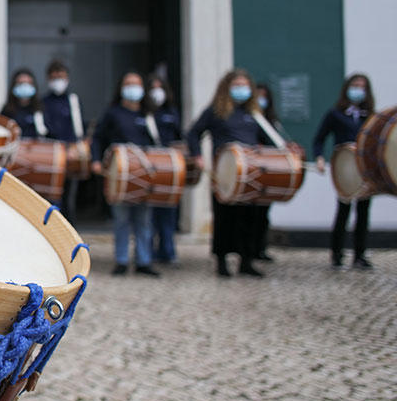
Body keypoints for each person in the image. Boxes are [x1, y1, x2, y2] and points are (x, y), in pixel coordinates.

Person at [187, 69, 273, 279]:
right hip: (224, 174)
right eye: (237, 86)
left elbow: (267, 140)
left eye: (244, 86)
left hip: (251, 175)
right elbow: (193, 133)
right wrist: (197, 156)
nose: (241, 90)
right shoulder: (216, 111)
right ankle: (222, 260)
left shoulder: (255, 114)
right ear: (227, 88)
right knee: (224, 218)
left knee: (249, 218)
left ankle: (247, 261)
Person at [91, 72, 161, 277]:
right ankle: (121, 260)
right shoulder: (113, 113)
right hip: (119, 172)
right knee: (121, 219)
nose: (132, 88)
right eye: (128, 84)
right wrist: (96, 160)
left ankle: (143, 261)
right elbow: (98, 137)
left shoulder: (148, 115)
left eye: (136, 84)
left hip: (144, 173)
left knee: (144, 219)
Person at [313, 74, 377, 270]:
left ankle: (359, 255)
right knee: (343, 211)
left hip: (365, 169)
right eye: (355, 85)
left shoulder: (371, 116)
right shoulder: (335, 114)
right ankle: (337, 254)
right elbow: (319, 138)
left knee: (363, 212)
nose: (358, 90)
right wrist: (319, 158)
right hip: (345, 169)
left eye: (362, 87)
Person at [41, 60, 85, 220]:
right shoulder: (43, 102)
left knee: (69, 200)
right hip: (51, 156)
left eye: (61, 77)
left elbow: (79, 128)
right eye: (54, 77)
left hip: (71, 155)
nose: (58, 81)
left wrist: (77, 147)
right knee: (52, 198)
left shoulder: (73, 101)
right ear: (48, 79)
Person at [145, 75, 182, 265]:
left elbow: (179, 136)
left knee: (168, 212)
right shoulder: (145, 113)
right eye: (153, 88)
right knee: (150, 214)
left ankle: (168, 252)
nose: (157, 92)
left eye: (160, 87)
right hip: (149, 166)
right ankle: (148, 253)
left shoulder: (171, 112)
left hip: (169, 168)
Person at [253, 82, 287, 264]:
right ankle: (250, 249)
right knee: (252, 215)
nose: (261, 100)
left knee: (264, 215)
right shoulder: (250, 120)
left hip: (269, 171)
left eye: (264, 96)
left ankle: (261, 248)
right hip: (254, 171)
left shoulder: (273, 122)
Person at [1, 69, 45, 138]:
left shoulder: (41, 109)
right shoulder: (7, 111)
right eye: (21, 83)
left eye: (28, 83)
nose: (25, 87)